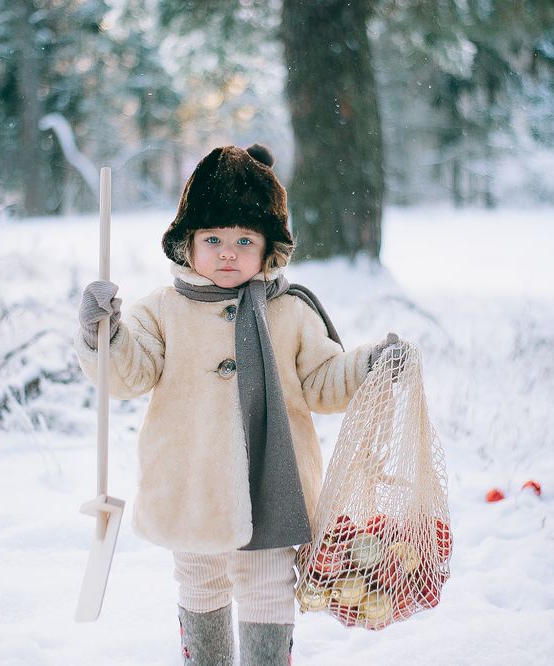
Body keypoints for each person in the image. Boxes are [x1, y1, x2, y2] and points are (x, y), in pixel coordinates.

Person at [75, 144, 397, 665]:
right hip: (190, 480)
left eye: (244, 240)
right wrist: (103, 334)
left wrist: (368, 365)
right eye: (213, 239)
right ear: (187, 244)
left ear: (270, 248)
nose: (228, 253)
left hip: (270, 482)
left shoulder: (290, 311)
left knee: (267, 583)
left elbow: (322, 381)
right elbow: (130, 374)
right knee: (199, 579)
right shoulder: (162, 311)